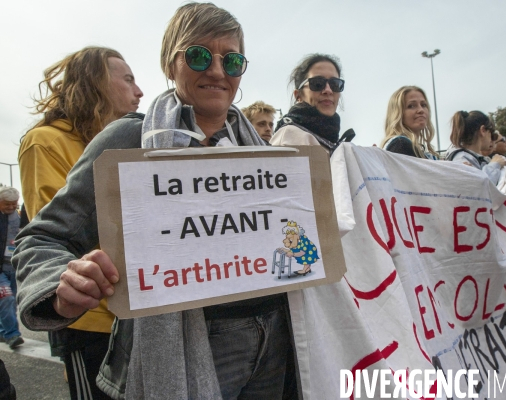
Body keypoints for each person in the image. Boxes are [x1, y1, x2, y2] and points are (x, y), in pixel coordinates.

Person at [14, 3, 290, 399]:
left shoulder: (266, 155)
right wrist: (60, 282)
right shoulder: (128, 141)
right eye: (197, 55)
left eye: (232, 60)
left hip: (274, 347)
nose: (216, 71)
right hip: (188, 349)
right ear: (169, 63)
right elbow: (41, 238)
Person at [18, 46, 143, 400]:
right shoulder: (45, 141)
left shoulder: (124, 141)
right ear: (95, 82)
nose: (140, 91)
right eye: (129, 79)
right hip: (87, 319)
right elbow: (61, 233)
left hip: (134, 316)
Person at [271, 53, 345, 153]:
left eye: (335, 84)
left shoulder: (335, 145)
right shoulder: (289, 136)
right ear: (298, 96)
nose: (328, 90)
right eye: (318, 83)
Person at [445, 110, 506, 185]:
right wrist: (495, 164)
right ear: (483, 130)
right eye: (491, 132)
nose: (491, 138)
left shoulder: (471, 157)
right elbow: (478, 188)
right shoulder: (461, 159)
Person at [380, 85, 438, 159]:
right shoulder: (400, 144)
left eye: (423, 105)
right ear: (398, 113)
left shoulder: (414, 147)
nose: (421, 110)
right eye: (411, 106)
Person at [0, 187, 23, 350]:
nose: (10, 207)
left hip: (13, 266)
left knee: (10, 302)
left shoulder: (20, 216)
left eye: (14, 204)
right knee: (6, 298)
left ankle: (3, 330)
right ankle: (12, 334)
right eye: (7, 204)